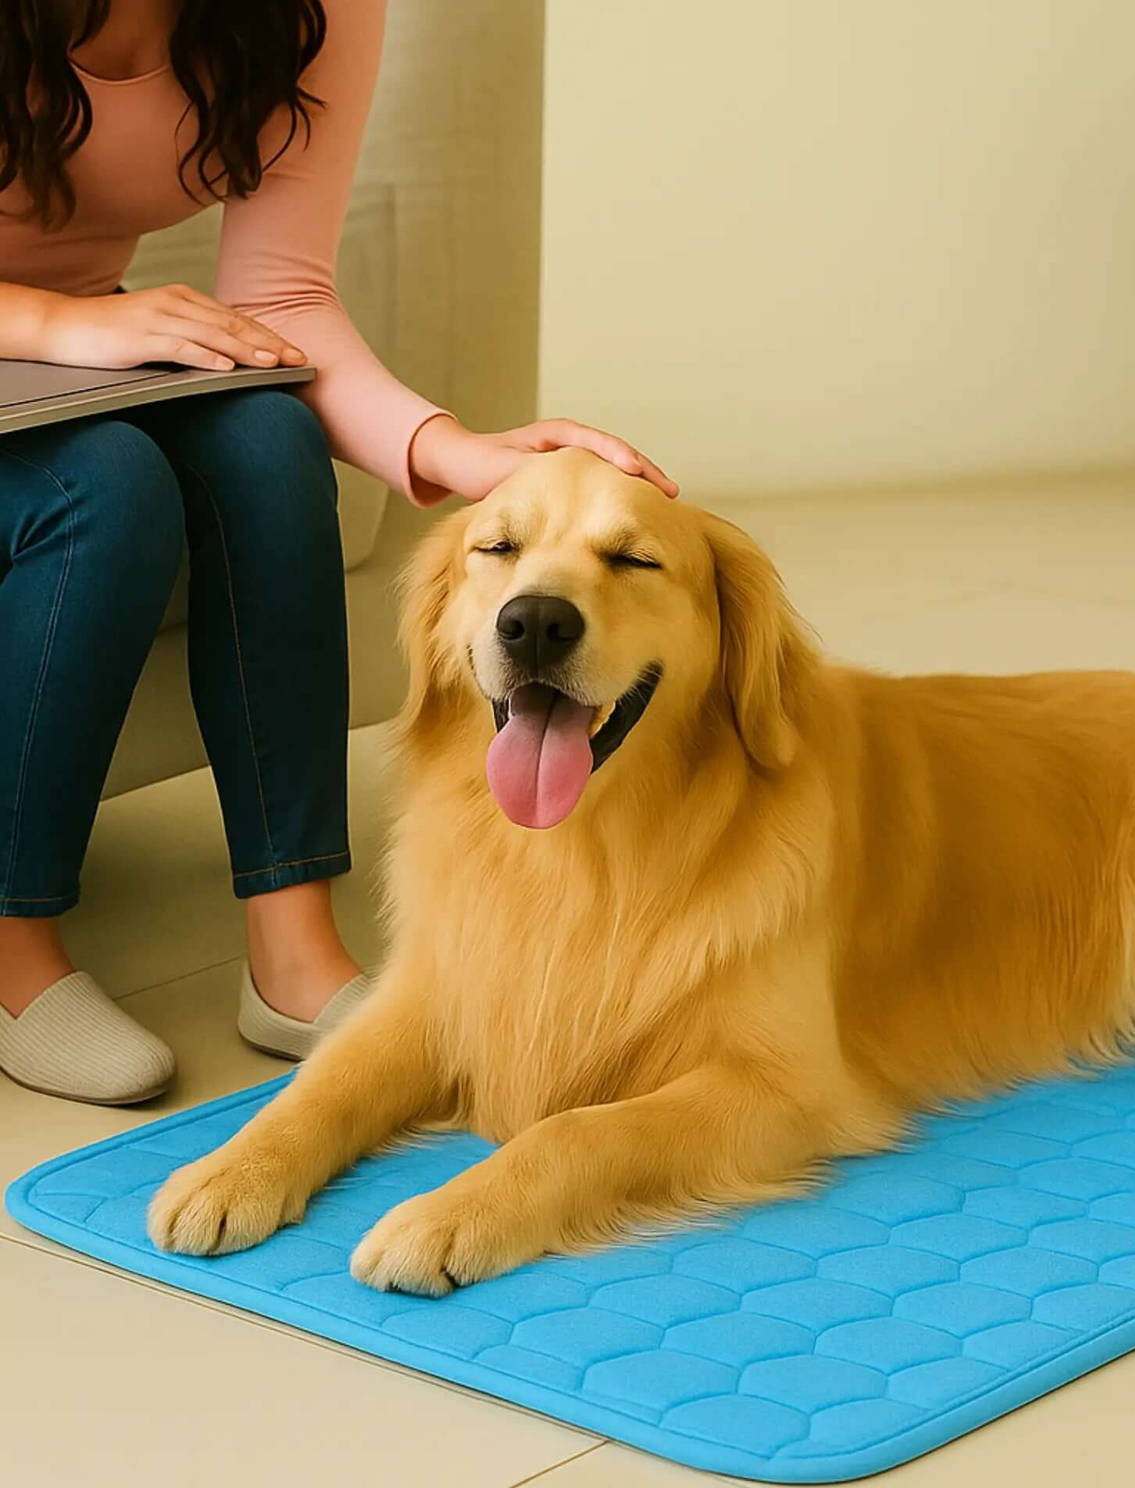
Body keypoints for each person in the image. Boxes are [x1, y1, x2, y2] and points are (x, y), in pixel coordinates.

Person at [0, 0, 674, 1105]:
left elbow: (281, 296)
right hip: (57, 345)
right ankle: (12, 943)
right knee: (104, 490)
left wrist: (451, 449)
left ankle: (292, 944)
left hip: (76, 354)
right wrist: (57, 324)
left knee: (268, 437)